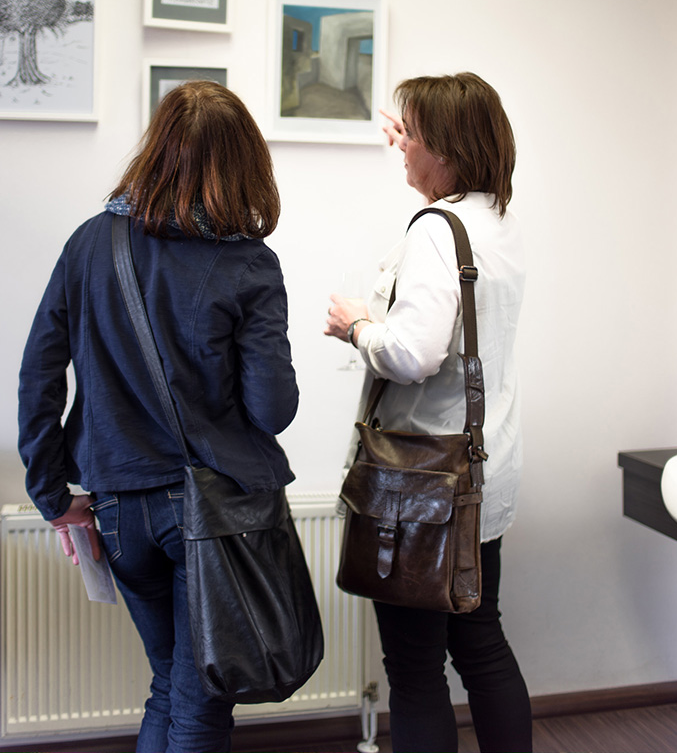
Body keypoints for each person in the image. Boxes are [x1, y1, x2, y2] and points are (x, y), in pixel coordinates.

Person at [18, 80, 299, 753]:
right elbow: (272, 409)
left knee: (171, 684)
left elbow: (38, 375)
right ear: (246, 164)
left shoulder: (91, 243)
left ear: (158, 149)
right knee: (201, 706)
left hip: (117, 507)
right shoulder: (248, 263)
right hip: (212, 515)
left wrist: (52, 495)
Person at [325, 72, 532, 753]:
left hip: (421, 483)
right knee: (480, 642)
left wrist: (358, 326)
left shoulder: (436, 232)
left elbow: (413, 355)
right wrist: (417, 133)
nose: (401, 147)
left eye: (410, 136)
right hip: (480, 471)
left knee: (414, 669)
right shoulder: (497, 222)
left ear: (444, 148)